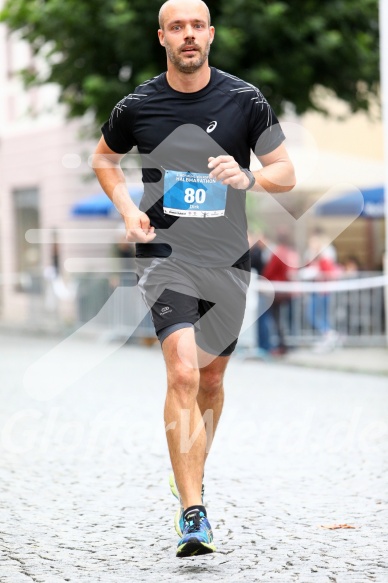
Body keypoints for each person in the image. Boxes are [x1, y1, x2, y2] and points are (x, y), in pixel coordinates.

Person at [93, 0, 295, 558]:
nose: (187, 35)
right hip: (166, 256)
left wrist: (249, 176)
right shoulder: (138, 105)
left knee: (210, 380)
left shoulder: (244, 100)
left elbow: (287, 172)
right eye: (176, 27)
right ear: (162, 37)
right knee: (183, 370)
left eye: (196, 26)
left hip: (227, 258)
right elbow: (104, 158)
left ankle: (191, 472)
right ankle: (192, 513)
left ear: (211, 34)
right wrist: (127, 208)